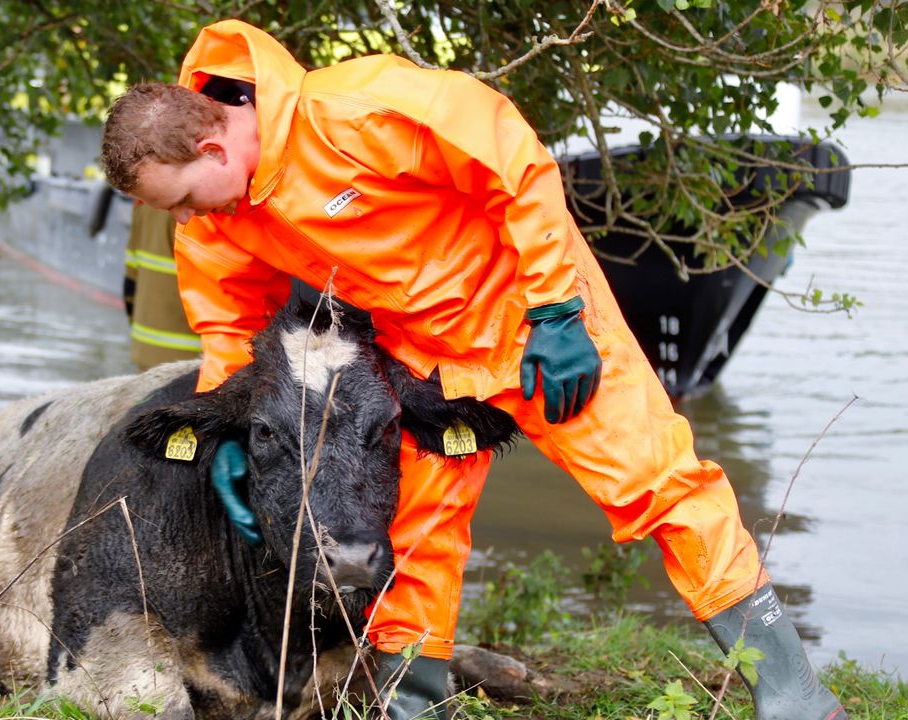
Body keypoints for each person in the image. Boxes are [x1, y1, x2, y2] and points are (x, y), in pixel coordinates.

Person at [99, 19, 847, 720]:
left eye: (188, 202)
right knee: (420, 530)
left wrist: (558, 311)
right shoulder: (221, 219)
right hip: (421, 362)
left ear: (214, 151)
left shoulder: (359, 109)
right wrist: (231, 430)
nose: (189, 223)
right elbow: (230, 327)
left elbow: (512, 162)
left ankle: (793, 691)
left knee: (661, 488)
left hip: (537, 321)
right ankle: (409, 703)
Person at [122, 200, 202, 369]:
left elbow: (130, 284)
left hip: (145, 352)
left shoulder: (143, 204)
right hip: (192, 360)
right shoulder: (204, 214)